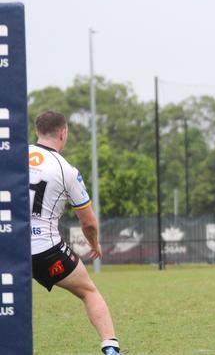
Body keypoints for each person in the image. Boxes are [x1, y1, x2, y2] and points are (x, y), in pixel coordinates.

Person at [29, 111, 122, 355]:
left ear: (37, 131)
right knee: (88, 291)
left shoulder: (12, 156)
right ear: (63, 132)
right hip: (46, 251)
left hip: (8, 246)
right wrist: (95, 244)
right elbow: (88, 222)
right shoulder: (66, 170)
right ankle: (110, 347)